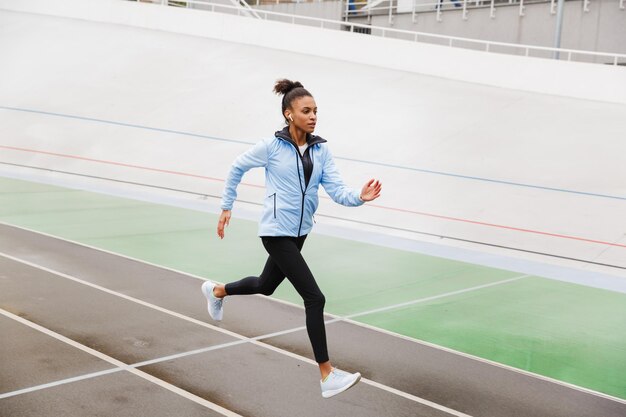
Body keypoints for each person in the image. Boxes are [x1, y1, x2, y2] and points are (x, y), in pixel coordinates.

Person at [201, 79, 382, 398]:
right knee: (315, 298)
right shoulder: (271, 147)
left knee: (265, 285)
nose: (313, 116)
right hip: (275, 232)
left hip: (299, 233)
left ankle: (217, 291)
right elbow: (236, 168)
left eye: (316, 111)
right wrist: (226, 206)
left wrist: (360, 197)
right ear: (288, 114)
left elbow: (337, 190)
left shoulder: (321, 150)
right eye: (306, 111)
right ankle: (327, 375)